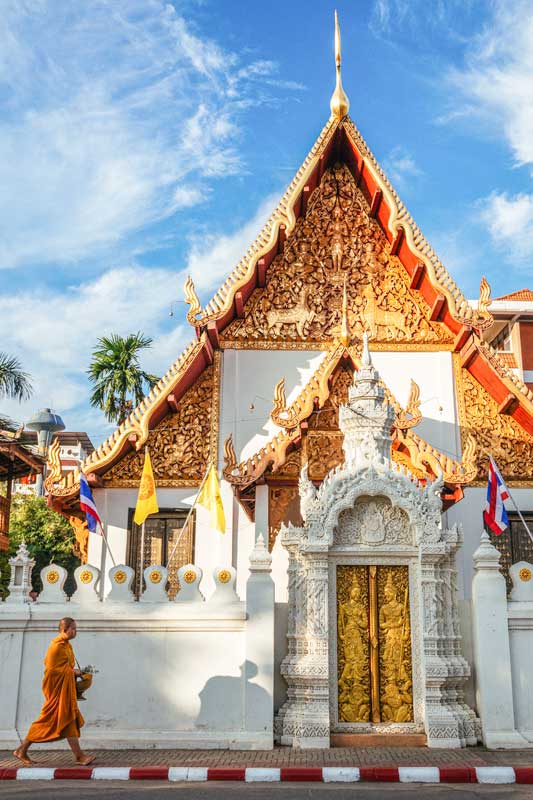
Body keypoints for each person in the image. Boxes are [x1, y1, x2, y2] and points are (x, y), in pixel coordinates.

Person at [13, 617, 95, 766]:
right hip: (55, 692)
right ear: (65, 630)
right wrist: (74, 673)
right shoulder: (56, 646)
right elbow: (51, 671)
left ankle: (79, 756)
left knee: (69, 719)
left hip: (64, 691)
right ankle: (21, 750)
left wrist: (80, 673)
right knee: (45, 721)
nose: (75, 631)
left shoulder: (67, 646)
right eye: (73, 628)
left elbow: (66, 667)